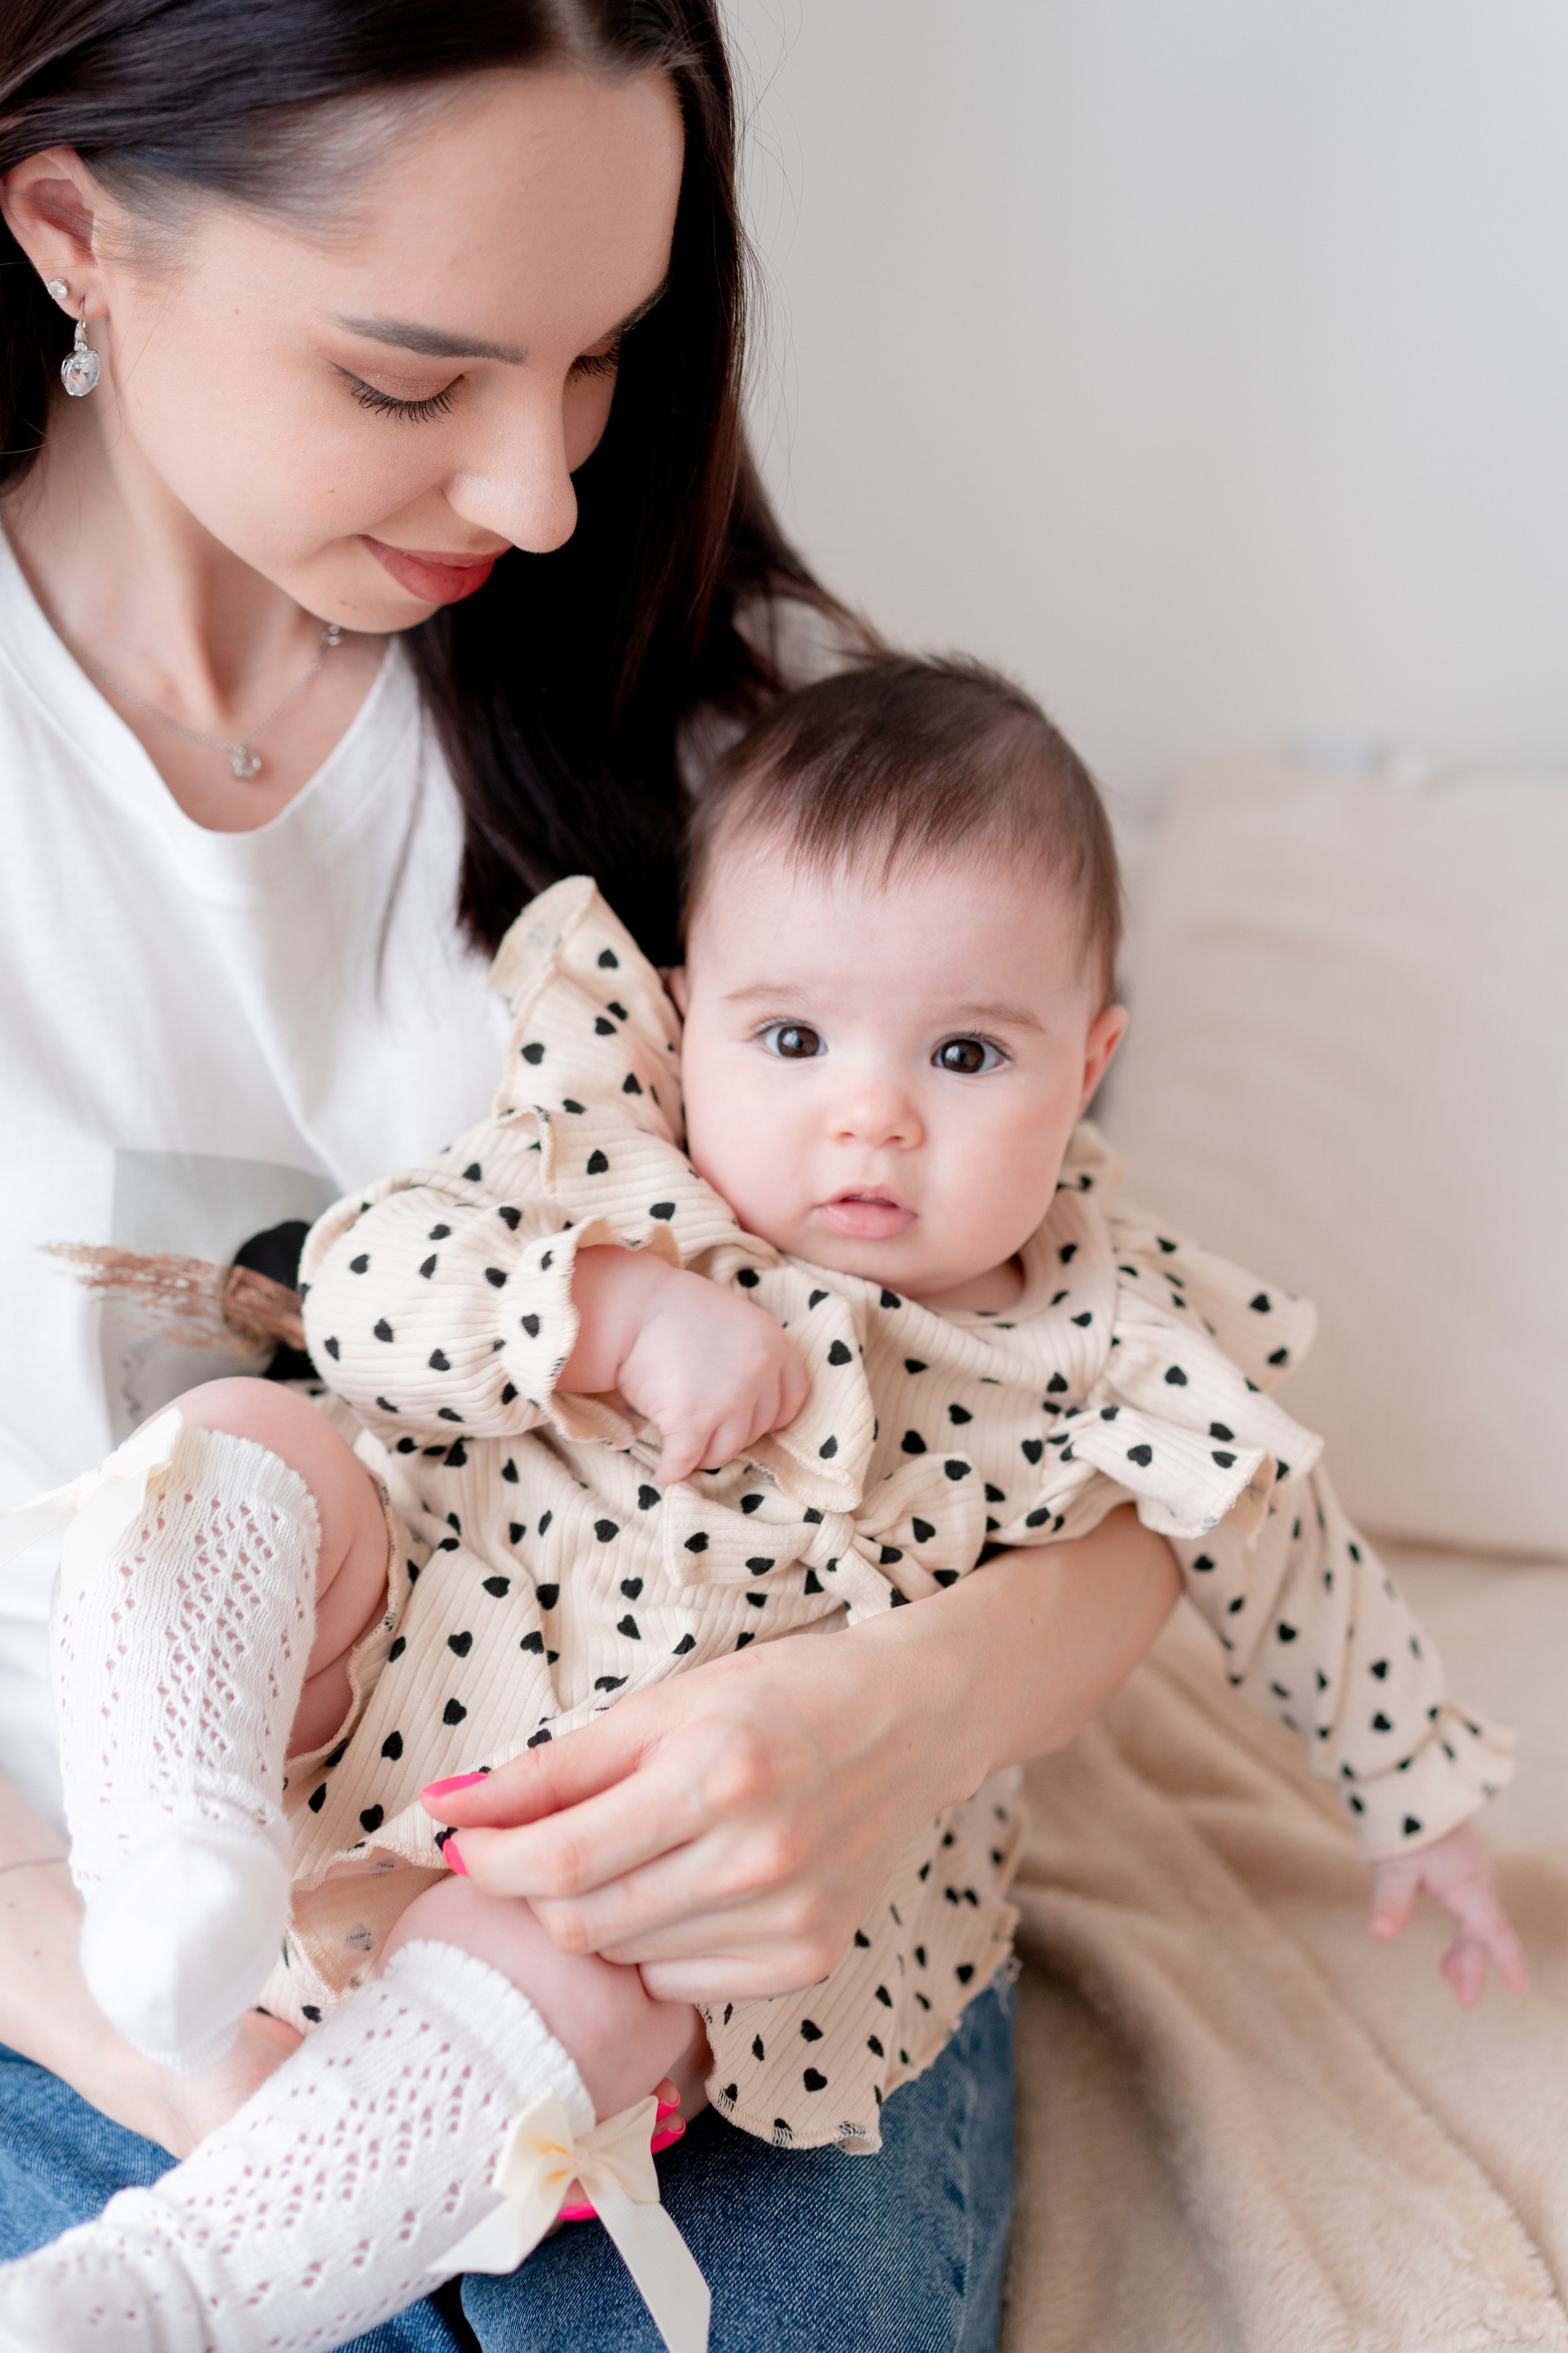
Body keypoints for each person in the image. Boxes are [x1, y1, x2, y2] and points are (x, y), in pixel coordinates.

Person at [0, 6, 1185, 2347]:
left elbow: (1122, 1414)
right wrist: (83, 1978)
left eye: (603, 359)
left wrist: (896, 1724)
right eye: (416, 378)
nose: (542, 491)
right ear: (76, 234)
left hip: (695, 1897)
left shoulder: (752, 771)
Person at [0, 659, 1526, 2351]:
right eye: (791, 1037)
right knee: (238, 1435)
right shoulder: (610, 1144)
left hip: (669, 1862)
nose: (867, 1111)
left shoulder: (1117, 1343)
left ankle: (193, 2278)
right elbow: (358, 1296)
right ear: (684, 1003)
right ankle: (160, 1854)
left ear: (1090, 1061)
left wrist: (1415, 1794)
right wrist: (607, 1310)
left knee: (597, 1985)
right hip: (407, 1644)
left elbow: (1283, 1538)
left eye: (963, 1051)